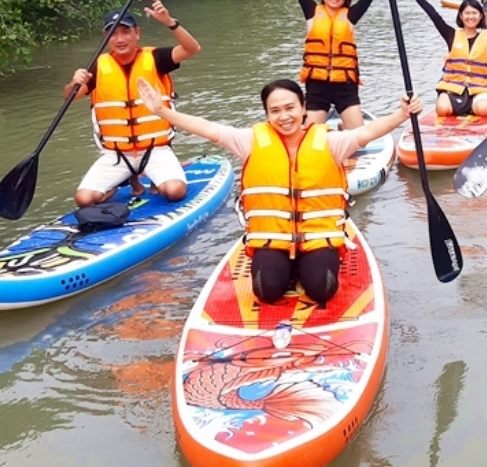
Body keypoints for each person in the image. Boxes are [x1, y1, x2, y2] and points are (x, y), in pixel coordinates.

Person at [136, 77, 421, 305]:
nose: (284, 116)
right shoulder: (249, 140)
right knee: (266, 291)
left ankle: (306, 264)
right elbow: (208, 129)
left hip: (318, 235)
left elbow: (368, 133)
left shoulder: (330, 141)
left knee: (322, 289)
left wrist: (402, 114)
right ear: (267, 114)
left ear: (303, 108)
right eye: (275, 111)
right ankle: (285, 266)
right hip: (272, 236)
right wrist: (162, 111)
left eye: (290, 108)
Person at [66, 0, 201, 207]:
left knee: (175, 192)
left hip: (155, 149)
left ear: (137, 33)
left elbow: (192, 49)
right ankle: (123, 181)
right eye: (113, 33)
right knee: (83, 200)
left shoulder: (156, 58)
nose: (120, 39)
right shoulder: (97, 67)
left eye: (125, 32)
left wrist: (169, 22)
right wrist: (75, 82)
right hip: (117, 153)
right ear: (106, 37)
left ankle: (155, 179)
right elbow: (69, 98)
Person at [284, 0, 402, 129]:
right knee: (309, 136)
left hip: (345, 86)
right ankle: (329, 131)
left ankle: (343, 128)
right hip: (317, 85)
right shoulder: (312, 12)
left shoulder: (350, 16)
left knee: (358, 135)